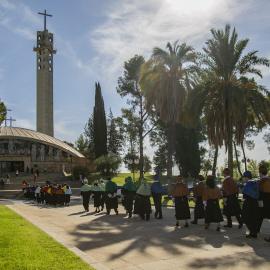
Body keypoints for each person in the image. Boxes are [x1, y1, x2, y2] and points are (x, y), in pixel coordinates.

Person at [241, 171, 260, 238]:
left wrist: (242, 200)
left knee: (246, 218)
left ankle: (252, 231)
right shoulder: (255, 183)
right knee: (254, 218)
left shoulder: (248, 185)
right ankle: (254, 232)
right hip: (255, 203)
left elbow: (245, 195)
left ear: (246, 177)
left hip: (248, 204)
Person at [257, 166, 270, 242]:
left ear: (260, 173)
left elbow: (258, 191)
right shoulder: (269, 180)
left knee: (260, 216)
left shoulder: (261, 181)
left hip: (263, 200)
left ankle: (257, 229)